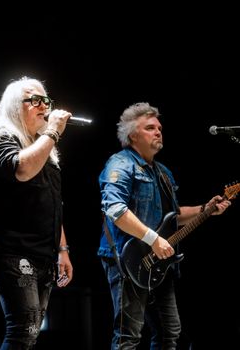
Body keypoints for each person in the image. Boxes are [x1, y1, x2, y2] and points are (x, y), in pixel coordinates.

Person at [98, 102, 231, 349]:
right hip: (127, 259)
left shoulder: (163, 172)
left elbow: (173, 216)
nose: (158, 132)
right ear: (132, 135)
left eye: (159, 128)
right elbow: (115, 210)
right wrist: (153, 239)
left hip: (159, 262)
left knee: (169, 332)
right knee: (129, 336)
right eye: (150, 128)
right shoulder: (120, 164)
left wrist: (206, 209)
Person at [0, 76, 74, 350]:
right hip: (11, 248)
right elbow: (22, 170)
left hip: (43, 251)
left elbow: (53, 202)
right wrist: (52, 133)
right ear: (15, 106)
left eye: (46, 100)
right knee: (23, 329)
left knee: (31, 332)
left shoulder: (45, 149)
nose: (44, 106)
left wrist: (62, 249)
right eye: (35, 100)